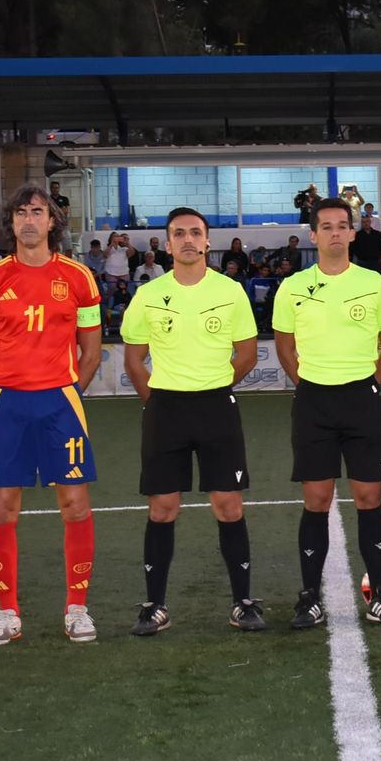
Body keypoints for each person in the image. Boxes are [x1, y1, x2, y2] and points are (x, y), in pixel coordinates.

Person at [0, 185, 103, 645]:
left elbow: (91, 352)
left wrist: (64, 391)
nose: (28, 220)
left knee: (75, 504)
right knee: (3, 507)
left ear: (51, 222)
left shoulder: (80, 278)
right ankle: (7, 612)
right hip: (8, 404)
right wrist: (15, 387)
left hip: (61, 403)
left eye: (37, 212)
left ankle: (77, 608)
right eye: (21, 212)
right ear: (12, 222)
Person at [121, 207, 261, 635]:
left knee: (228, 505)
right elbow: (133, 358)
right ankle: (154, 605)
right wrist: (158, 399)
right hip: (166, 411)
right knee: (163, 510)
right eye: (178, 233)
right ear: (165, 244)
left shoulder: (230, 291)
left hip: (217, 408)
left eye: (194, 233)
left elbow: (248, 352)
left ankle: (242, 602)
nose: (186, 240)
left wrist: (215, 386)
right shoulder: (148, 294)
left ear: (206, 242)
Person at [272, 198, 381, 628]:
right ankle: (309, 596)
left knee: (370, 498)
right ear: (313, 235)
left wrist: (372, 383)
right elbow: (284, 345)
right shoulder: (292, 287)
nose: (334, 232)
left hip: (362, 401)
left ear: (353, 233)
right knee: (317, 499)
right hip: (314, 402)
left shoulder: (375, 284)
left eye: (342, 226)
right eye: (326, 226)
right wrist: (307, 384)